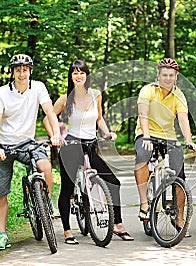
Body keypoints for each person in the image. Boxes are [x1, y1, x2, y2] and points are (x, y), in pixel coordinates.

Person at [43, 59, 134, 244]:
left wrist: (107, 132)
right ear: (71, 76)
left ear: (87, 75)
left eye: (82, 72)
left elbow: (99, 118)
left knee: (113, 182)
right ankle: (68, 231)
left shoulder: (96, 95)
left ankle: (117, 224)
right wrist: (55, 135)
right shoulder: (65, 98)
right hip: (71, 146)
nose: (79, 76)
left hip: (91, 145)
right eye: (75, 73)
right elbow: (48, 119)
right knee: (67, 189)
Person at [0, 54, 60, 250]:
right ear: (12, 72)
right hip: (5, 145)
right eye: (18, 69)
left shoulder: (38, 87)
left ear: (30, 71)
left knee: (44, 165)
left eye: (25, 69)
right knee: (0, 192)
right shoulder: (2, 93)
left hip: (28, 142)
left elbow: (50, 112)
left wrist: (55, 134)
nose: (22, 73)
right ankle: (2, 235)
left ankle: (46, 205)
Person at [134, 58, 196, 233]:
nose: (168, 78)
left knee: (180, 175)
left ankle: (179, 217)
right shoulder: (147, 91)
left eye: (171, 75)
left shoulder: (179, 95)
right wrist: (146, 137)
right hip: (146, 133)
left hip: (168, 136)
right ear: (159, 75)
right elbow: (143, 114)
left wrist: (189, 140)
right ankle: (144, 204)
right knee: (142, 158)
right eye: (165, 75)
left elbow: (183, 118)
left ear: (176, 77)